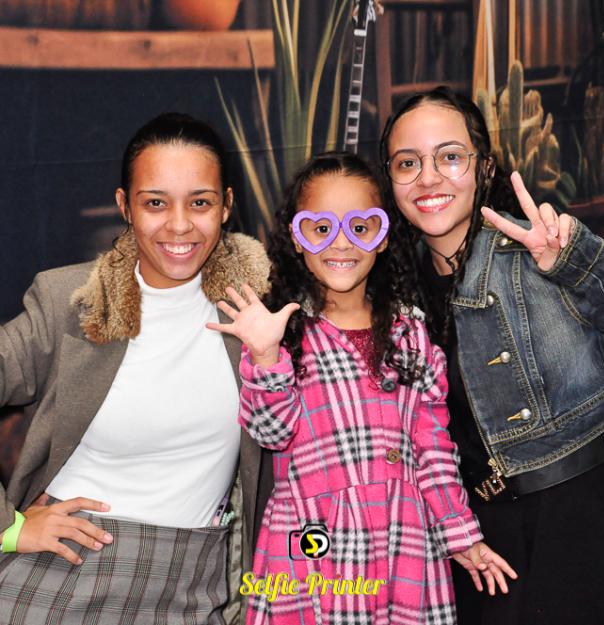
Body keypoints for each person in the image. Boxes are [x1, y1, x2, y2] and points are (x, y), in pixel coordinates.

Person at [206, 152, 516, 625]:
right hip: (312, 545)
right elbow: (270, 432)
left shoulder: (410, 334)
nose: (341, 243)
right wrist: (266, 357)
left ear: (383, 235)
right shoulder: (281, 333)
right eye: (320, 228)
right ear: (297, 237)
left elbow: (432, 447)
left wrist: (460, 535)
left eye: (360, 226)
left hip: (404, 541)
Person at [0, 113, 272, 625]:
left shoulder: (260, 313)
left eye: (200, 202)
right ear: (125, 205)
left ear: (226, 205)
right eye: (155, 203)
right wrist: (9, 528)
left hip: (195, 584)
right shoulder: (68, 301)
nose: (179, 225)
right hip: (63, 573)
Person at [380, 85, 604, 625]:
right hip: (479, 541)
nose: (428, 178)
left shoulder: (539, 252)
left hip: (581, 517)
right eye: (408, 162)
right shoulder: (394, 293)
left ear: (484, 167)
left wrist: (576, 262)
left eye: (450, 157)